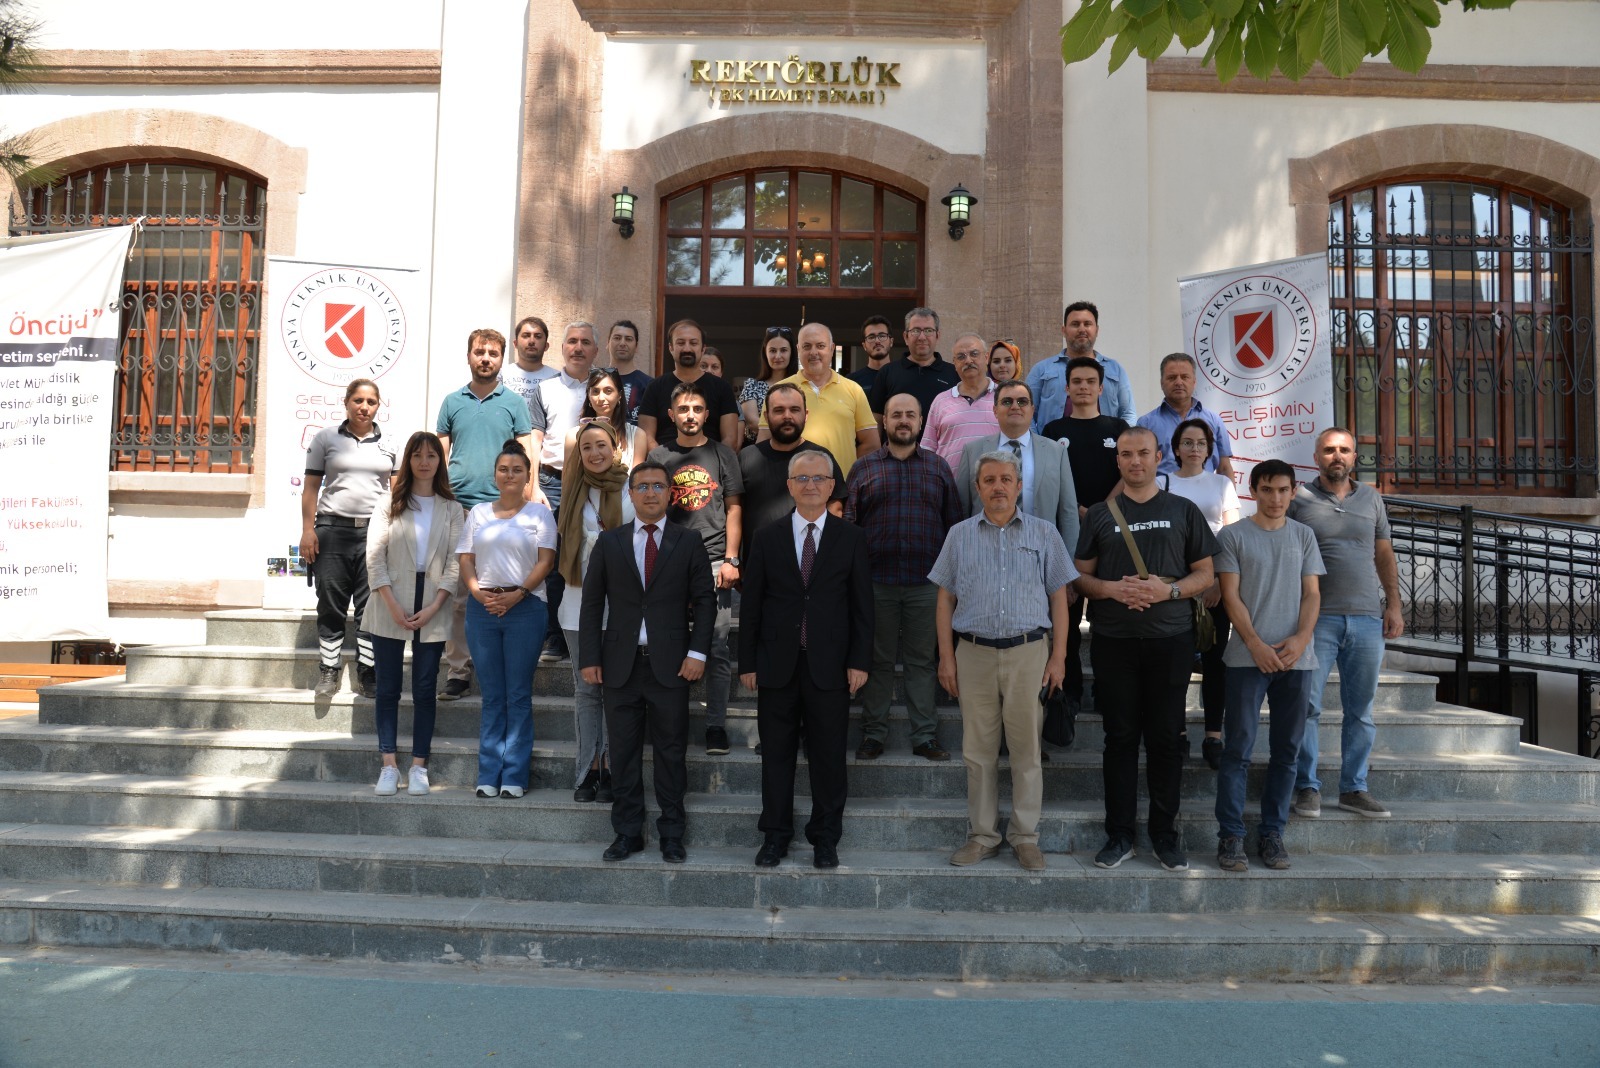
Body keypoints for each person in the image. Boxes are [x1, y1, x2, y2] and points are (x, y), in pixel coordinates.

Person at [1074, 426, 1218, 872]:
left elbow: (1205, 574)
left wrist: (1166, 592)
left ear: (1159, 458)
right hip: (1114, 641)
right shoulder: (1100, 514)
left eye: (1142, 453)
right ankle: (1119, 835)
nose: (1134, 461)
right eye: (1125, 454)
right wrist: (1112, 590)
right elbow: (1080, 577)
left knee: (1165, 739)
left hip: (1170, 640)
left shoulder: (1183, 509)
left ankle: (1164, 836)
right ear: (1117, 460)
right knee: (1119, 739)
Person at [930, 450, 1074, 871]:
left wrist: (1059, 656)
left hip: (1030, 653)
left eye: (1005, 479)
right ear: (977, 488)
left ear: (1019, 486)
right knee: (978, 752)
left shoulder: (1044, 533)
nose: (998, 487)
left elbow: (1059, 599)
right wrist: (946, 657)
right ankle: (982, 836)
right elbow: (945, 599)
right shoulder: (959, 535)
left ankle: (1025, 837)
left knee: (1027, 751)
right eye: (989, 480)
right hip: (973, 654)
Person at [740, 450, 873, 870]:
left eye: (819, 478)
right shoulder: (767, 536)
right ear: (789, 485)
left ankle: (825, 838)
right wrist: (747, 662)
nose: (811, 485)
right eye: (802, 478)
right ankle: (775, 836)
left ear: (832, 486)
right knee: (776, 756)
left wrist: (859, 661)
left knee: (829, 757)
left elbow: (862, 607)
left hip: (830, 667)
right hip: (777, 665)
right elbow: (752, 605)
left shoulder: (851, 538)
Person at [579, 460, 715, 864]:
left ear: (670, 494)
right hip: (619, 665)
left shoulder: (688, 542)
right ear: (631, 494)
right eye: (643, 486)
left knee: (671, 753)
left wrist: (697, 653)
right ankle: (627, 833)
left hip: (672, 665)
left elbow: (705, 602)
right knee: (623, 754)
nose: (651, 492)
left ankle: (672, 834)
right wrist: (590, 656)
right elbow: (591, 604)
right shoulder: (610, 542)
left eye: (658, 486)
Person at [1214, 459, 1325, 872]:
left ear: (1293, 491)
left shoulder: (1304, 535)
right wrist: (1255, 645)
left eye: (1282, 490)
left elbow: (1312, 594)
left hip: (1297, 659)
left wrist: (1301, 639)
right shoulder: (1232, 536)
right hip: (1247, 658)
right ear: (1253, 491)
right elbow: (1230, 596)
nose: (1275, 498)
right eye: (1266, 490)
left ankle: (1272, 834)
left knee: (1287, 752)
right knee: (1238, 749)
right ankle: (1231, 836)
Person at [1288, 426, 1404, 820]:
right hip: (1315, 619)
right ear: (1316, 457)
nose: (1336, 456)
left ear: (1354, 456)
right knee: (1307, 707)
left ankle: (1354, 788)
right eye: (1329, 450)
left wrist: (1394, 605)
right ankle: (1307, 786)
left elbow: (1384, 555)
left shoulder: (1372, 498)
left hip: (1367, 618)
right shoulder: (1298, 499)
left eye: (1344, 449)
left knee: (1361, 711)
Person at [846, 393, 963, 761]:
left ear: (921, 421)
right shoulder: (863, 468)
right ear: (884, 421)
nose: (903, 420)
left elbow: (954, 526)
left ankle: (924, 735)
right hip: (875, 583)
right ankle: (873, 734)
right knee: (876, 661)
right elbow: (849, 527)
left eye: (910, 414)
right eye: (896, 414)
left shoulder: (938, 468)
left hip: (926, 585)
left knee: (921, 662)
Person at [435, 328, 538, 700]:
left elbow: (527, 454)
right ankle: (459, 672)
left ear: (501, 359)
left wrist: (530, 496)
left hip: (503, 511)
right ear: (469, 356)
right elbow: (441, 455)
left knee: (507, 587)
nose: (486, 359)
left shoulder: (514, 403)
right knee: (460, 596)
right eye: (480, 352)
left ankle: (502, 666)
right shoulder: (452, 402)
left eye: (493, 353)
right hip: (460, 509)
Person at [361, 430, 462, 797]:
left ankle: (419, 766)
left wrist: (435, 605)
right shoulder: (388, 503)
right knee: (387, 688)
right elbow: (375, 556)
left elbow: (455, 563)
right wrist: (391, 602)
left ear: (440, 461)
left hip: (433, 602)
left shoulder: (451, 508)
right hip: (390, 600)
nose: (424, 462)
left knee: (424, 688)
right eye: (417, 455)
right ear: (408, 460)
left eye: (431, 455)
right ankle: (388, 765)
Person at [456, 439, 556, 799]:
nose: (510, 475)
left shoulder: (540, 514)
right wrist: (476, 592)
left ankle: (514, 774)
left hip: (525, 608)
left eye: (517, 470)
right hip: (483, 608)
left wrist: (519, 594)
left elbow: (546, 561)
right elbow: (466, 558)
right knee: (492, 695)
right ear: (495, 475)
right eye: (503, 469)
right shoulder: (479, 512)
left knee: (517, 694)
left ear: (528, 476)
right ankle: (488, 774)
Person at [648, 381, 744, 755]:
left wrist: (732, 559)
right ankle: (669, 723)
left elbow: (734, 508)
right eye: (684, 409)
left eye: (698, 409)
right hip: (669, 562)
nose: (690, 416)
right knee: (668, 644)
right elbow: (651, 510)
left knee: (716, 647)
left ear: (707, 414)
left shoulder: (722, 454)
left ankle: (715, 726)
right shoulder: (658, 455)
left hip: (715, 559)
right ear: (671, 415)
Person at [1038, 355, 1128, 717]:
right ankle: (1070, 693)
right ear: (1067, 388)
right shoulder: (1053, 430)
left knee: (1110, 621)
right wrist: (1075, 509)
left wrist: (1101, 510)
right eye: (1076, 381)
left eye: (1090, 381)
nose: (1084, 387)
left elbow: (1129, 473)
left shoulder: (1117, 428)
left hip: (1111, 533)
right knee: (1069, 621)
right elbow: (1048, 478)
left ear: (1101, 388)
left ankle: (1108, 693)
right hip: (1068, 534)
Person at [301, 378, 397, 698]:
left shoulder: (390, 443)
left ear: (378, 406)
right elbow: (310, 489)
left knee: (371, 607)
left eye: (371, 401)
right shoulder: (325, 439)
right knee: (331, 604)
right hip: (331, 531)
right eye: (358, 400)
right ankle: (329, 669)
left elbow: (397, 494)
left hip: (374, 533)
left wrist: (396, 535)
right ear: (346, 403)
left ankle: (367, 671)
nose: (364, 407)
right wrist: (308, 531)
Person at [556, 421, 633, 805]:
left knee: (615, 689)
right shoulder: (573, 490)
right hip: (577, 606)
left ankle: (612, 768)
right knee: (586, 691)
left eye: (601, 445)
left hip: (620, 609)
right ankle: (587, 769)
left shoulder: (632, 490)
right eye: (586, 447)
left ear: (616, 448)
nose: (594, 453)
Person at [1163, 417, 1241, 768]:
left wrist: (1218, 582)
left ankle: (1213, 736)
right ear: (1176, 449)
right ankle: (1177, 734)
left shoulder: (1222, 484)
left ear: (1210, 449)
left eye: (1201, 443)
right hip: (1175, 588)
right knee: (1176, 666)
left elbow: (1232, 537)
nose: (1194, 449)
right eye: (1187, 442)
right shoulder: (1163, 484)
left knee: (1215, 664)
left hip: (1213, 587)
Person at [532, 322, 601, 665]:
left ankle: (594, 629)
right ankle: (555, 636)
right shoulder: (545, 389)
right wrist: (533, 486)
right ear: (562, 348)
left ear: (595, 351)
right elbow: (534, 440)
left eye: (585, 342)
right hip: (553, 483)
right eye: (572, 341)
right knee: (555, 563)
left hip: (594, 482)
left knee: (593, 558)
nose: (578, 347)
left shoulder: (603, 388)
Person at [955, 381, 1080, 563]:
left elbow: (1068, 512)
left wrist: (1068, 566)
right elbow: (962, 509)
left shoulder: (1056, 452)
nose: (1015, 406)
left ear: (1032, 409)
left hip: (1041, 556)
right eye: (1007, 402)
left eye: (1022, 401)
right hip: (985, 556)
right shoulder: (972, 451)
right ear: (995, 410)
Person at [758, 322, 879, 477]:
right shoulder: (778, 391)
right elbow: (764, 443)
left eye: (820, 346)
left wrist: (848, 473)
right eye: (807, 346)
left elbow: (871, 444)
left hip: (841, 487)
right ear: (798, 349)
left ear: (832, 349)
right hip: (792, 486)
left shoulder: (854, 390)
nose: (813, 352)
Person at [738, 382, 845, 557]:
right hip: (757, 561)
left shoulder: (821, 458)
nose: (787, 416)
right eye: (779, 410)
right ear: (766, 416)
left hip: (810, 561)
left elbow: (835, 508)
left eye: (794, 410)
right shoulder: (747, 457)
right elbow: (734, 510)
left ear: (806, 415)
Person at [1027, 301, 1137, 430]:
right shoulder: (1041, 370)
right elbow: (1027, 412)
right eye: (1075, 324)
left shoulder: (1115, 370)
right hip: (1053, 442)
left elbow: (1128, 413)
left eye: (1087, 324)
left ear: (1096, 330)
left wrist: (1122, 440)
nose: (1082, 329)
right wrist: (1039, 441)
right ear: (1064, 330)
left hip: (1106, 442)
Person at [636, 319, 741, 452]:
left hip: (712, 462)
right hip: (664, 462)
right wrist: (660, 461)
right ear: (671, 348)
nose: (687, 348)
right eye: (680, 343)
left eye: (693, 343)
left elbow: (730, 439)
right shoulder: (654, 387)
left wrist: (717, 462)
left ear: (703, 349)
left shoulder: (722, 388)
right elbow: (646, 437)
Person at [1138, 353, 1235, 480]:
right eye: (1172, 378)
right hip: (1163, 491)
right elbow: (1139, 468)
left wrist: (1231, 493)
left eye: (1185, 377)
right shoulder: (1146, 424)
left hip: (1205, 491)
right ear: (1161, 383)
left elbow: (1224, 467)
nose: (1179, 382)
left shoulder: (1214, 421)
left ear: (1194, 382)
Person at [867, 307, 960, 428]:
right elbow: (876, 421)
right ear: (906, 337)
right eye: (916, 331)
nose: (922, 337)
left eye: (928, 330)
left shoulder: (954, 374)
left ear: (937, 336)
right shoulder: (887, 373)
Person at [922, 333, 998, 472]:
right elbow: (928, 450)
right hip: (949, 483)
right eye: (961, 357)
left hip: (996, 483)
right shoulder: (940, 401)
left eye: (974, 354)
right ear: (955, 363)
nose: (968, 360)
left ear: (986, 357)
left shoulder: (1004, 397)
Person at [565, 367, 647, 470]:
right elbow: (569, 478)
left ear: (619, 395)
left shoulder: (637, 436)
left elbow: (637, 478)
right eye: (595, 391)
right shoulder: (573, 436)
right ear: (589, 396)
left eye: (608, 391)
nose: (601, 398)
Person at [738, 325, 793, 445]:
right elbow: (752, 422)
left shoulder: (800, 386)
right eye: (772, 351)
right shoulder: (753, 386)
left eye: (783, 350)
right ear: (765, 353)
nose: (778, 356)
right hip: (759, 448)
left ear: (791, 352)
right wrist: (785, 434)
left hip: (795, 449)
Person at [501, 316, 559, 415]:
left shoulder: (558, 378)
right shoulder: (502, 375)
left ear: (546, 346)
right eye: (526, 336)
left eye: (538, 336)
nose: (531, 341)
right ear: (515, 343)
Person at [603, 319, 652, 425]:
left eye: (628, 339)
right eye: (617, 338)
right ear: (608, 343)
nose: (622, 343)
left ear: (636, 346)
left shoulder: (649, 385)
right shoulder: (596, 380)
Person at [848, 315, 895, 394]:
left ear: (891, 342)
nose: (877, 341)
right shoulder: (851, 382)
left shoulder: (903, 377)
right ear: (864, 345)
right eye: (871, 337)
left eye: (882, 336)